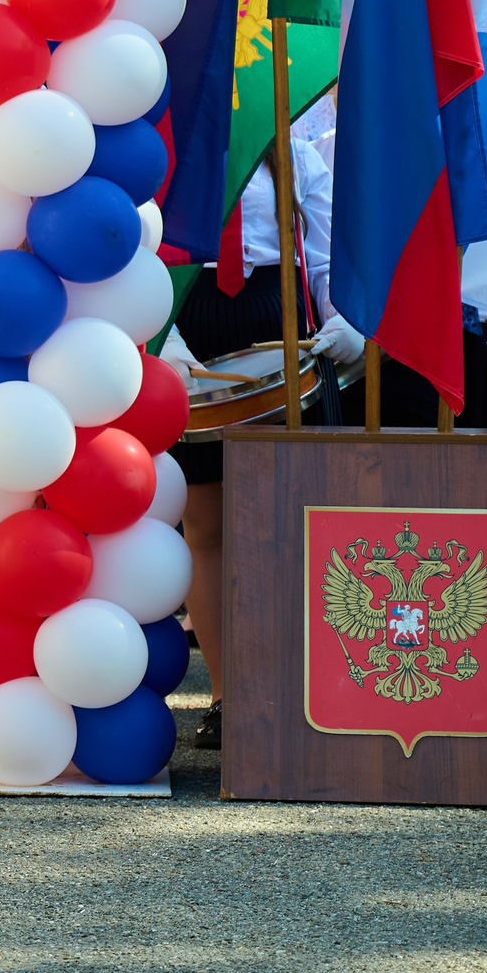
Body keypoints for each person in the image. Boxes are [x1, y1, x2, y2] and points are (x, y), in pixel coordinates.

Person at [157, 125, 354, 753]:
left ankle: (303, 690)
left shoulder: (286, 139)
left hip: (278, 313)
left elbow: (323, 253)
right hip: (188, 310)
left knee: (292, 519)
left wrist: (344, 318)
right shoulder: (166, 134)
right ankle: (227, 695)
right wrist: (161, 335)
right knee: (206, 524)